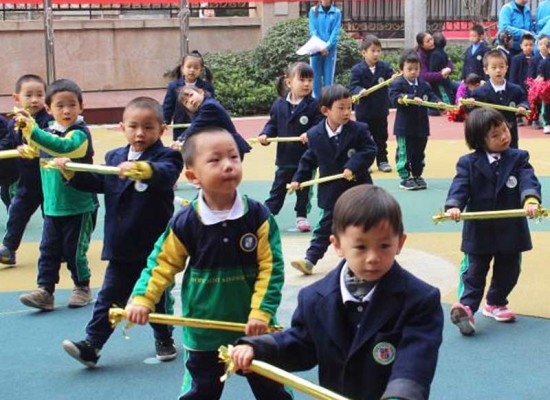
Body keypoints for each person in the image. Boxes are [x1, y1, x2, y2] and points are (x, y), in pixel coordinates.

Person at [231, 184, 444, 400]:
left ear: (400, 242)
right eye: (360, 247)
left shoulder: (419, 300)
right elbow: (300, 345)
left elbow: (415, 361)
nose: (373, 257)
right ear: (337, 245)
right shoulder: (314, 298)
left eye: (384, 245)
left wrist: (401, 395)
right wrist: (257, 349)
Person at [125, 127, 292, 400]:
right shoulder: (186, 222)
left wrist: (261, 312)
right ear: (193, 176)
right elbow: (161, 264)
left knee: (273, 391)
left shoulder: (258, 216)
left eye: (234, 157)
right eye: (215, 160)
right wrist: (144, 298)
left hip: (254, 327)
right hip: (203, 329)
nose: (228, 165)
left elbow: (271, 269)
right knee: (201, 392)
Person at [60, 97, 184, 367]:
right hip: (120, 245)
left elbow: (165, 174)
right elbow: (99, 181)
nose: (140, 133)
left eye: (149, 127)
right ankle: (92, 345)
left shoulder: (167, 157)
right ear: (122, 127)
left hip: (154, 248)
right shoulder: (114, 157)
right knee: (109, 297)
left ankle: (164, 337)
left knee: (156, 298)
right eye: (133, 126)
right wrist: (71, 173)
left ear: (161, 130)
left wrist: (142, 169)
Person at [445, 107, 541, 336]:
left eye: (504, 130)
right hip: (480, 229)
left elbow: (528, 180)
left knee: (509, 270)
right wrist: (454, 205)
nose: (504, 137)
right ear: (480, 141)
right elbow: (460, 186)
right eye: (495, 135)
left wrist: (530, 199)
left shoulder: (518, 158)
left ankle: (496, 302)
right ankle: (466, 308)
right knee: (475, 271)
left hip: (510, 227)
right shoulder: (468, 163)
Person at [16, 79, 97, 311]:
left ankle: (82, 287)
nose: (66, 110)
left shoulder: (80, 134)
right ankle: (45, 290)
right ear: (49, 109)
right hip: (52, 205)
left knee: (74, 251)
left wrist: (32, 131)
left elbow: (62, 147)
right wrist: (27, 146)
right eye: (60, 106)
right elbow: (41, 147)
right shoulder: (49, 132)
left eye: (72, 105)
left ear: (81, 107)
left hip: (79, 206)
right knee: (48, 250)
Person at [289, 84, 377, 275]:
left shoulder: (359, 129)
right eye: (341, 108)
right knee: (325, 227)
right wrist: (298, 179)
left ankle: (362, 258)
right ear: (325, 110)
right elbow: (309, 160)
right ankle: (310, 260)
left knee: (362, 225)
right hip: (331, 191)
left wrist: (352, 166)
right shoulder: (315, 134)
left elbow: (369, 150)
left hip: (358, 189)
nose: (347, 112)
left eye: (349, 108)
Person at [259, 62, 322, 232]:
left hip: (306, 158)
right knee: (278, 188)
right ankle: (267, 215)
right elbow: (272, 124)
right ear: (289, 83)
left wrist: (310, 133)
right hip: (285, 157)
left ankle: (301, 216)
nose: (307, 84)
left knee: (303, 189)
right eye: (302, 79)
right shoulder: (279, 105)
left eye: (310, 80)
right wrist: (265, 135)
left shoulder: (314, 105)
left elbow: (320, 125)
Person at [0, 74, 53, 265]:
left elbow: (52, 142)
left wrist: (34, 148)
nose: (34, 99)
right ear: (17, 98)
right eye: (28, 95)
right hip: (28, 181)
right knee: (17, 212)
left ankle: (57, 249)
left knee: (52, 218)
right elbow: (9, 143)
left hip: (50, 179)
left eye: (39, 94)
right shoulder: (14, 122)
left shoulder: (49, 121)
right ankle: (9, 248)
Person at [389, 50, 445, 191]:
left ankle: (417, 175)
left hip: (421, 126)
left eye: (416, 69)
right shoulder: (398, 84)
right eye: (410, 69)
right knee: (405, 152)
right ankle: (405, 177)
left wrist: (438, 102)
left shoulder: (423, 84)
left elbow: (431, 96)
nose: (413, 72)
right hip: (405, 127)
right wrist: (409, 98)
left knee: (419, 151)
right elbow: (394, 98)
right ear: (402, 69)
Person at [350, 34, 396, 173]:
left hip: (380, 109)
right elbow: (353, 87)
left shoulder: (384, 67)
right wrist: (360, 90)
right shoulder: (357, 69)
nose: (376, 54)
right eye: (373, 51)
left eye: (378, 51)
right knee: (365, 138)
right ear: (364, 53)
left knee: (381, 137)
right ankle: (365, 163)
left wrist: (394, 78)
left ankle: (382, 160)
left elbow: (392, 78)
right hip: (364, 111)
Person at [468, 49, 529, 148]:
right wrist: (470, 104)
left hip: (510, 134)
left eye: (501, 67)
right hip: (489, 135)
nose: (498, 70)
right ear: (486, 70)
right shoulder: (479, 92)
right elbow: (472, 111)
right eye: (494, 67)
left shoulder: (515, 89)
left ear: (506, 68)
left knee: (511, 157)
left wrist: (523, 106)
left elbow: (524, 100)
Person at [175, 86, 251, 157]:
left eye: (191, 95)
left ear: (201, 92)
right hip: (220, 148)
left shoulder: (209, 106)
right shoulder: (199, 111)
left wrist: (181, 139)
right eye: (186, 102)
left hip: (230, 147)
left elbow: (197, 126)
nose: (190, 101)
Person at [162, 50, 215, 141]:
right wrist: (164, 121)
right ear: (182, 68)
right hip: (180, 127)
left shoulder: (207, 87)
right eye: (189, 67)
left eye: (195, 68)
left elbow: (212, 106)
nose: (192, 70)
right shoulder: (173, 86)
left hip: (200, 127)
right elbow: (168, 106)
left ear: (201, 70)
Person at [308, 0, 342, 99]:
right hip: (315, 50)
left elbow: (335, 32)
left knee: (328, 80)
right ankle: (316, 105)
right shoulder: (313, 11)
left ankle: (328, 103)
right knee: (315, 79)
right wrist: (320, 46)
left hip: (330, 51)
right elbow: (313, 30)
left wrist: (327, 47)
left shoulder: (336, 12)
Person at [415, 31, 453, 115]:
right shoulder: (420, 56)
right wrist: (441, 74)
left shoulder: (436, 49)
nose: (431, 42)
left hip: (441, 81)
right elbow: (424, 75)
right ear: (422, 45)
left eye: (431, 39)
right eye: (427, 41)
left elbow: (447, 60)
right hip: (426, 85)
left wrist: (448, 69)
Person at [429, 31, 456, 105]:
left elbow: (433, 69)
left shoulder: (434, 54)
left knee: (444, 96)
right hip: (444, 79)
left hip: (439, 81)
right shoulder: (443, 52)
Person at [0, 115, 17, 210]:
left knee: (9, 195)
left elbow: (8, 140)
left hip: (9, 169)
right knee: (5, 195)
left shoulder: (1, 122)